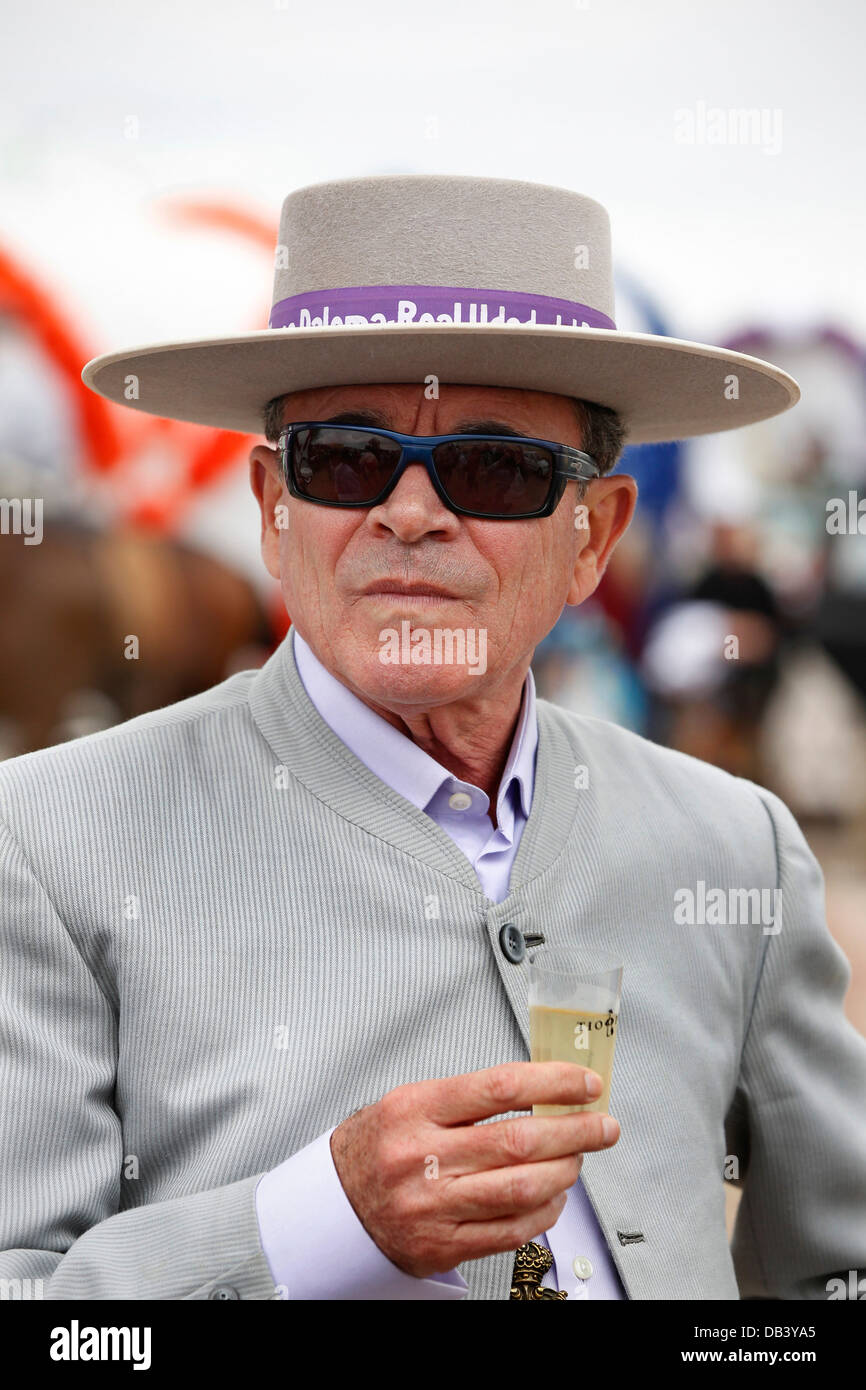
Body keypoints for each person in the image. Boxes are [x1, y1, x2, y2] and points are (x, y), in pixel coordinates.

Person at [1, 174, 863, 1301]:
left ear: (591, 536)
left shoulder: (734, 845)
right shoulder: (46, 841)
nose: (410, 512)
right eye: (346, 461)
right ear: (272, 506)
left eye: (493, 468)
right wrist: (318, 1221)